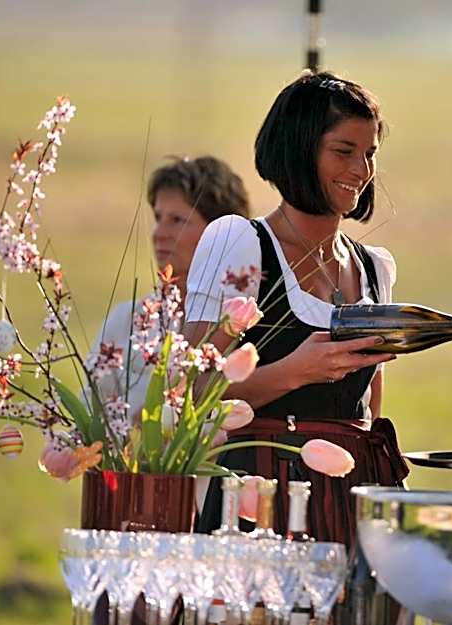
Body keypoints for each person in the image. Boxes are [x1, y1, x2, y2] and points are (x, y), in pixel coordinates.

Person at [184, 71, 409, 545]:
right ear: (299, 148)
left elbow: (367, 410)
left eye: (369, 154)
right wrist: (295, 370)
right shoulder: (241, 244)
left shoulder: (373, 268)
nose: (361, 170)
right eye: (344, 151)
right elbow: (192, 393)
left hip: (350, 496)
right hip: (258, 493)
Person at [88, 155, 249, 422]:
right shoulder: (125, 320)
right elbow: (89, 413)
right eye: (158, 217)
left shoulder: (243, 326)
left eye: (177, 220)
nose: (159, 232)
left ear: (219, 233)